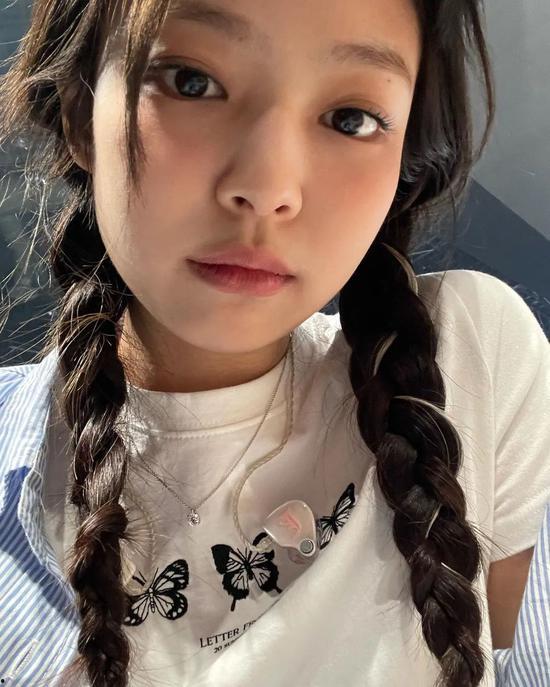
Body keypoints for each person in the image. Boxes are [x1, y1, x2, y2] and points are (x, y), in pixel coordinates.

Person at [0, 1, 548, 686]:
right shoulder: (15, 469)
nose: (267, 189)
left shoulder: (470, 360)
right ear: (82, 113)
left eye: (351, 118)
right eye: (193, 82)